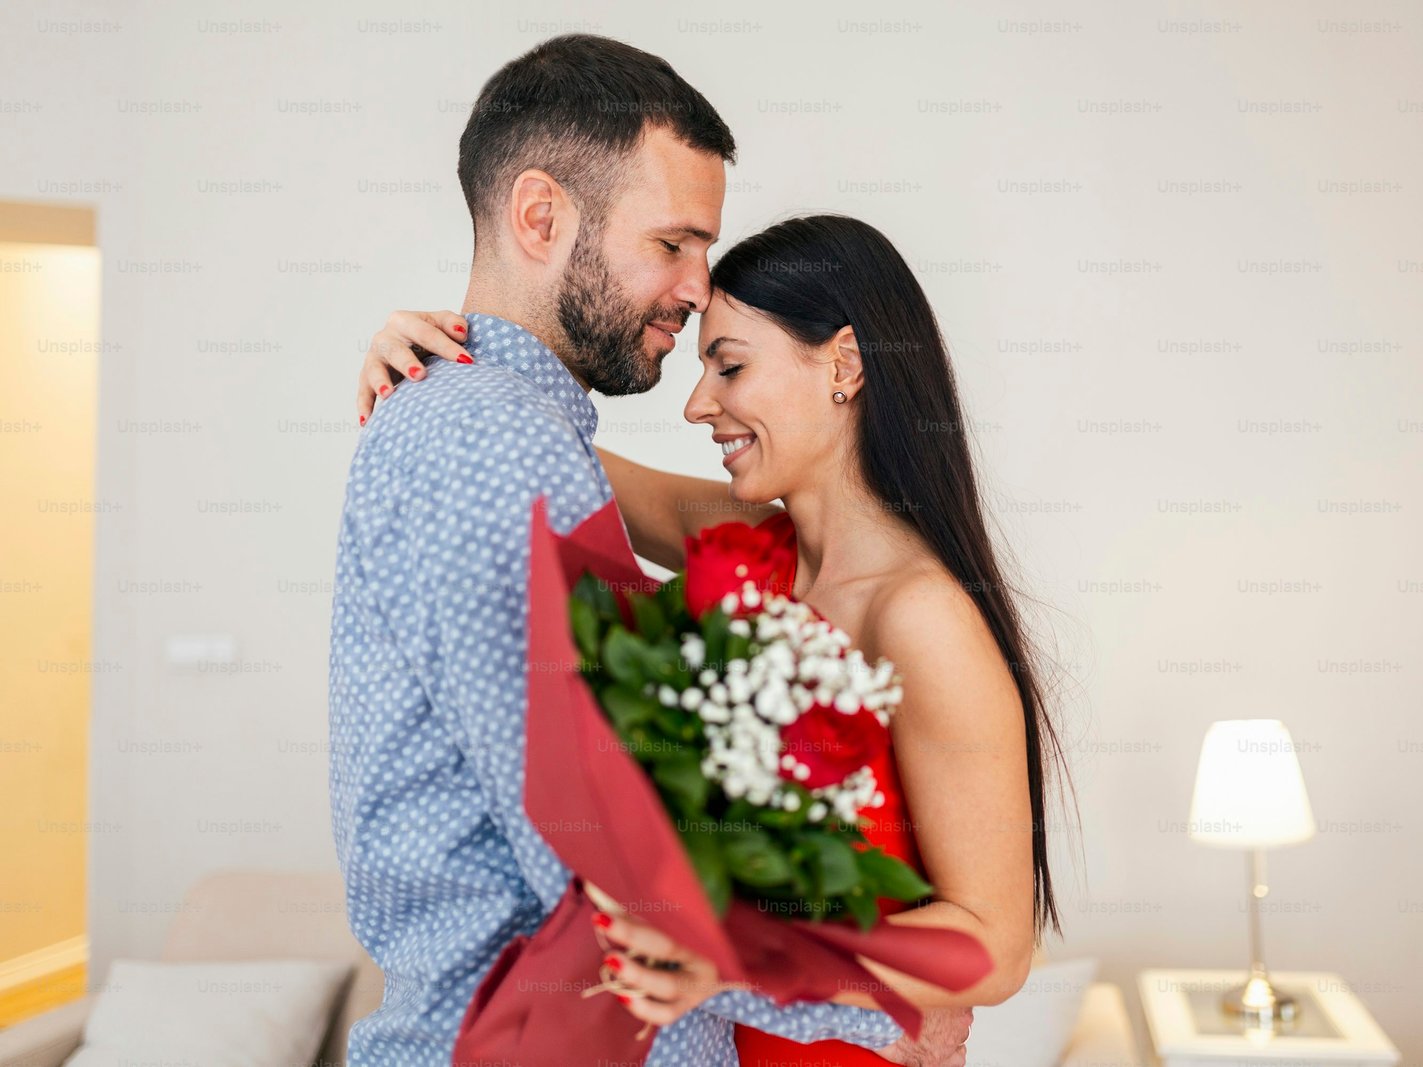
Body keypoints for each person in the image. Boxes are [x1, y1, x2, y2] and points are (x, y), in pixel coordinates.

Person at [330, 35, 974, 1067]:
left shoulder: (528, 436)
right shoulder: (491, 439)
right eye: (673, 242)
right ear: (540, 216)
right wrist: (865, 1002)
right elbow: (601, 841)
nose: (693, 286)